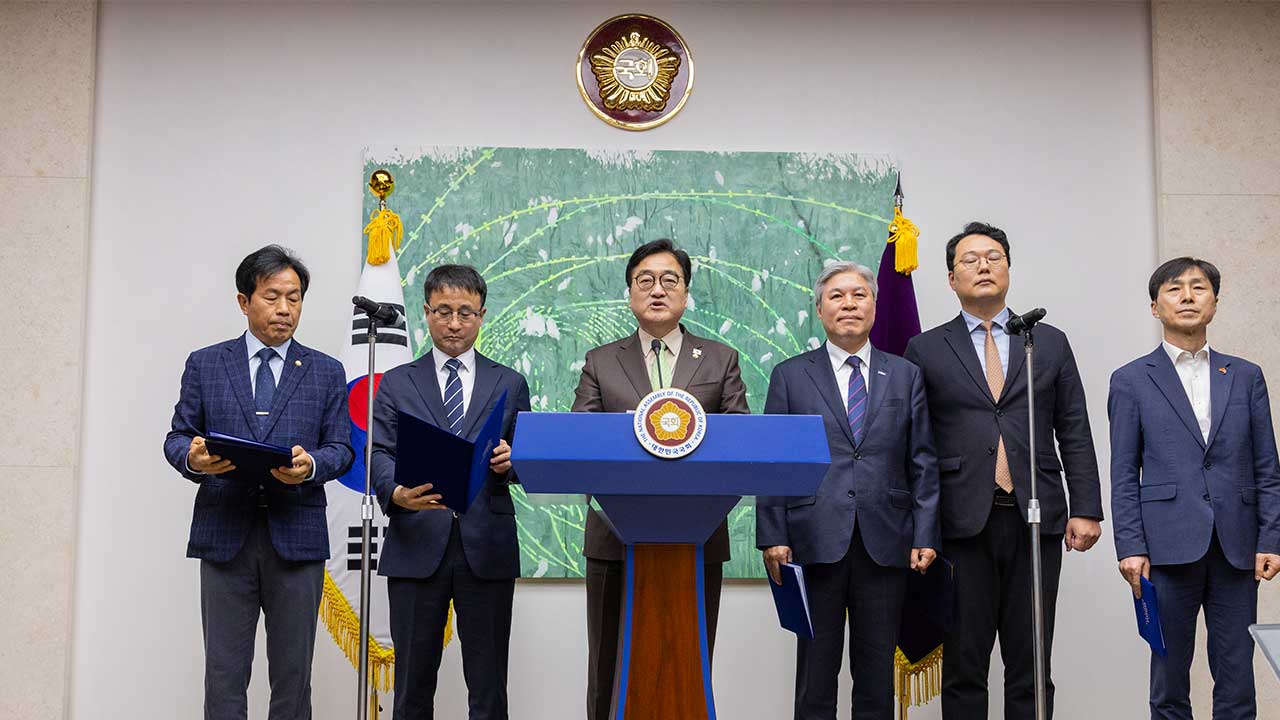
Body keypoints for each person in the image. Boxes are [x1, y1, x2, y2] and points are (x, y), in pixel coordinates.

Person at [903, 221, 1103, 719]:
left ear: (1009, 269)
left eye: (993, 257)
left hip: (1035, 518)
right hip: (960, 522)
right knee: (964, 664)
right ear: (951, 279)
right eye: (969, 260)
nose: (983, 266)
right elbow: (913, 443)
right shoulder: (925, 348)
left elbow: (1074, 428)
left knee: (1031, 662)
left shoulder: (1048, 342)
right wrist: (919, 527)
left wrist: (1086, 508)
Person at [163, 244, 353, 720]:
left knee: (293, 676)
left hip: (298, 537)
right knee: (224, 675)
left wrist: (311, 465)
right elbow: (178, 437)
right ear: (244, 301)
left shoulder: (326, 371)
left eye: (294, 297)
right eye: (272, 297)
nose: (285, 309)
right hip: (225, 535)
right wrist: (193, 459)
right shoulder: (206, 364)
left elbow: (341, 449)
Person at [572, 238, 750, 720]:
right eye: (645, 280)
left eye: (669, 280)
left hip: (698, 537)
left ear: (686, 293)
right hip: (613, 537)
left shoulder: (720, 359)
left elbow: (739, 441)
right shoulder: (600, 361)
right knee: (607, 668)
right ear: (629, 292)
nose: (657, 290)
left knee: (689, 666)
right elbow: (580, 441)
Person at [757, 261, 940, 719]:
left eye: (859, 295)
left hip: (886, 541)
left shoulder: (905, 375)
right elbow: (772, 461)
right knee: (815, 678)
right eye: (837, 296)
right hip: (813, 538)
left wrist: (925, 534)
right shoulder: (790, 375)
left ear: (875, 307)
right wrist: (773, 534)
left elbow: (922, 461)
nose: (849, 304)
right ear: (820, 310)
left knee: (876, 678)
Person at [1109, 257, 1280, 720]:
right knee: (1168, 683)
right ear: (1155, 306)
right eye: (1174, 288)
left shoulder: (1245, 375)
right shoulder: (1131, 379)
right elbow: (1123, 472)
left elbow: (1267, 465)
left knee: (1238, 681)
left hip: (1236, 546)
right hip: (1165, 549)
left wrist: (1270, 538)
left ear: (1215, 303)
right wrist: (1131, 546)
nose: (1187, 296)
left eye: (1198, 287)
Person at [369, 264, 531, 720]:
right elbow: (378, 451)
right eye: (443, 311)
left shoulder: (509, 382)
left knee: (488, 686)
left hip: (488, 545)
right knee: (412, 687)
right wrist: (395, 492)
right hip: (416, 541)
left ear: (482, 315)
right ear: (426, 312)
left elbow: (527, 456)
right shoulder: (398, 381)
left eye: (465, 312)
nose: (454, 323)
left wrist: (513, 461)